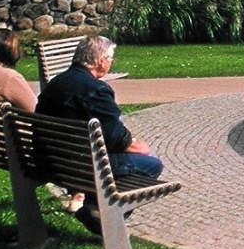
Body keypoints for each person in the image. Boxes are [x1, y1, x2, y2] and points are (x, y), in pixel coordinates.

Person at [36, 36, 162, 233]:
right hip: (81, 167)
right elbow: (115, 138)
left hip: (51, 162)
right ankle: (107, 221)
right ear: (101, 60)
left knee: (123, 163)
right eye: (111, 58)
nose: (111, 63)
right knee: (152, 164)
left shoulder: (57, 83)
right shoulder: (96, 90)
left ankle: (93, 206)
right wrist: (137, 146)